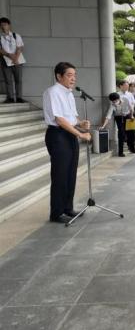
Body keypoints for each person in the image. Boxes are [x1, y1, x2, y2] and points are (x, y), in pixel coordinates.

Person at [42, 62, 91, 224]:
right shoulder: (52, 92)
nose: (73, 78)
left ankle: (67, 208)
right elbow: (59, 119)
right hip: (58, 136)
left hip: (69, 134)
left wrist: (81, 123)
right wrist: (80, 134)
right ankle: (56, 213)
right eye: (69, 75)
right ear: (59, 76)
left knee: (70, 173)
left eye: (74, 75)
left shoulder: (69, 93)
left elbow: (71, 117)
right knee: (60, 175)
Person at [99, 92, 134, 157]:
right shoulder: (112, 105)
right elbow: (108, 116)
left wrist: (132, 116)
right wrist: (103, 125)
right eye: (113, 101)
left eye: (115, 100)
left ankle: (132, 148)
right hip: (119, 118)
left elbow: (131, 108)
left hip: (127, 116)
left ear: (118, 98)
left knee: (131, 133)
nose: (114, 102)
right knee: (121, 134)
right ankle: (121, 152)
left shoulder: (125, 99)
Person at [0, 17, 26, 103]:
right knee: (8, 80)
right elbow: (1, 50)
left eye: (5, 24)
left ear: (9, 25)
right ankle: (10, 97)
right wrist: (10, 56)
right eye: (1, 25)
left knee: (18, 79)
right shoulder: (0, 37)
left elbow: (20, 47)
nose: (3, 26)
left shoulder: (16, 35)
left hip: (17, 60)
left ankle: (19, 97)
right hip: (6, 61)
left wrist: (15, 58)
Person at [118, 81, 135, 153]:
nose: (127, 87)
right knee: (121, 133)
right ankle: (120, 151)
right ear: (120, 86)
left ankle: (132, 148)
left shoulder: (130, 94)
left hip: (129, 115)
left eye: (127, 86)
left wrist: (132, 114)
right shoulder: (117, 94)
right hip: (120, 116)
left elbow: (133, 104)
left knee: (132, 132)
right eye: (125, 86)